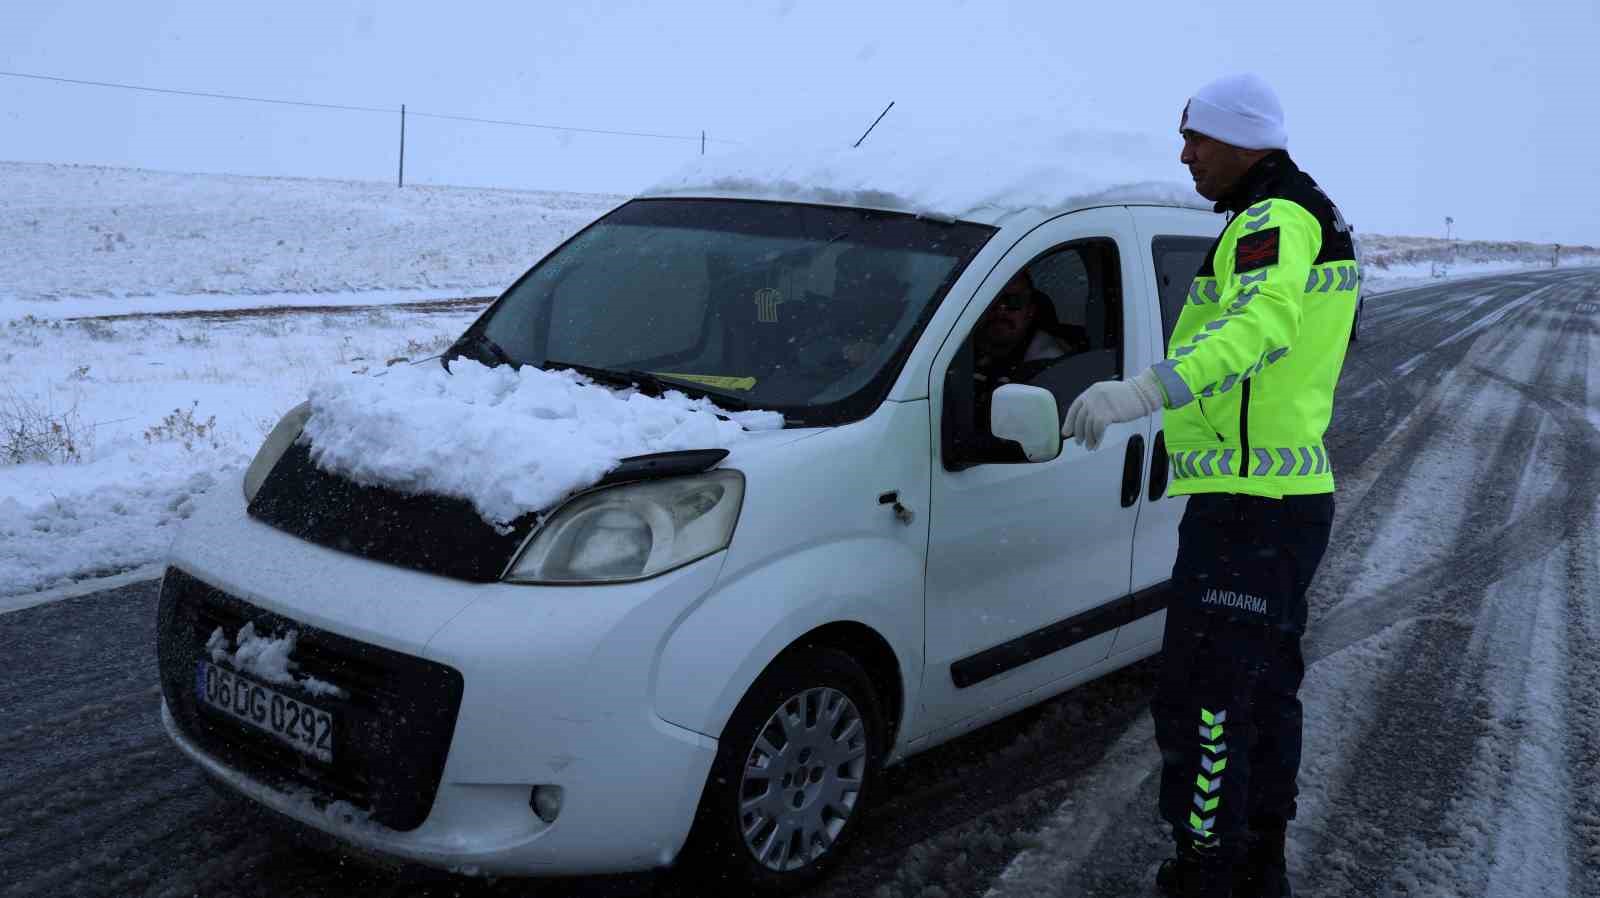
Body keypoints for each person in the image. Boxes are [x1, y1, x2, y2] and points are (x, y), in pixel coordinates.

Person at [1061, 73, 1358, 898]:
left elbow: (1260, 328)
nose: (1185, 155)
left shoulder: (1274, 219)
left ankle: (1205, 871)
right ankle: (1258, 862)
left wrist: (1147, 390)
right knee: (1261, 689)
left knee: (1207, 698)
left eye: (1197, 139)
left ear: (1243, 141)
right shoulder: (1303, 212)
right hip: (1278, 502)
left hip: (1250, 507)